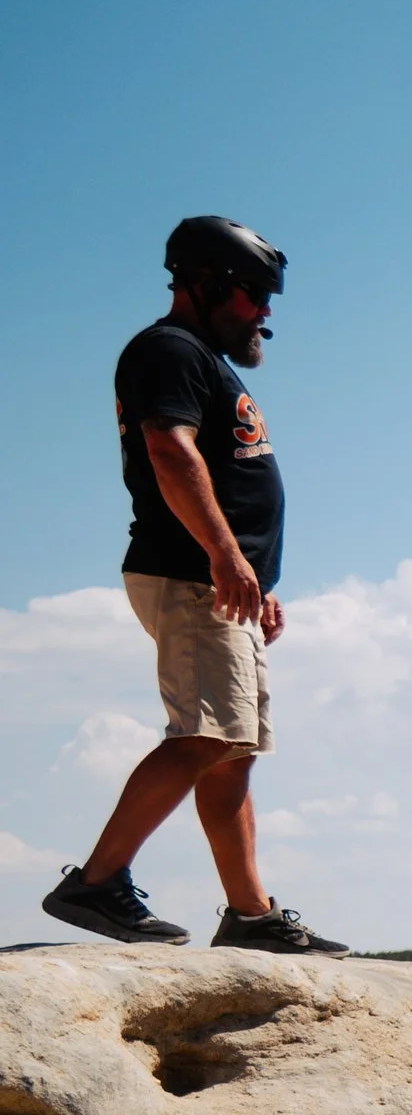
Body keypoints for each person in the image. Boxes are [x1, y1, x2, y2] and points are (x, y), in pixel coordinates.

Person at [41, 216, 347, 955]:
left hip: (216, 577)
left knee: (231, 747)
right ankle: (95, 882)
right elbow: (170, 452)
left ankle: (249, 915)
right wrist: (223, 556)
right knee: (206, 733)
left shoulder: (199, 357)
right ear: (205, 286)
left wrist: (252, 574)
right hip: (189, 572)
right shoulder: (170, 350)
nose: (265, 312)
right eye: (253, 296)